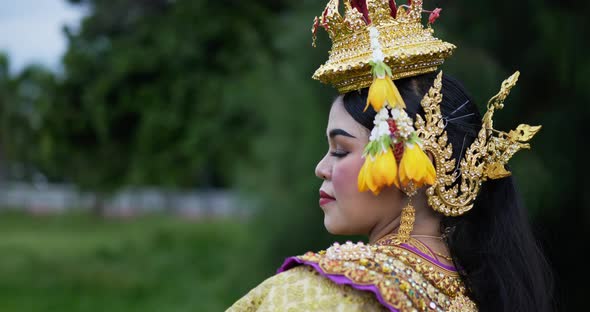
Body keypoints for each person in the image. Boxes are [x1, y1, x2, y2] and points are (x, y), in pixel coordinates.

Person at [227, 0, 554, 311]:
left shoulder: (322, 294)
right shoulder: (476, 297)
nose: (321, 168)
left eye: (341, 151)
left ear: (410, 165)